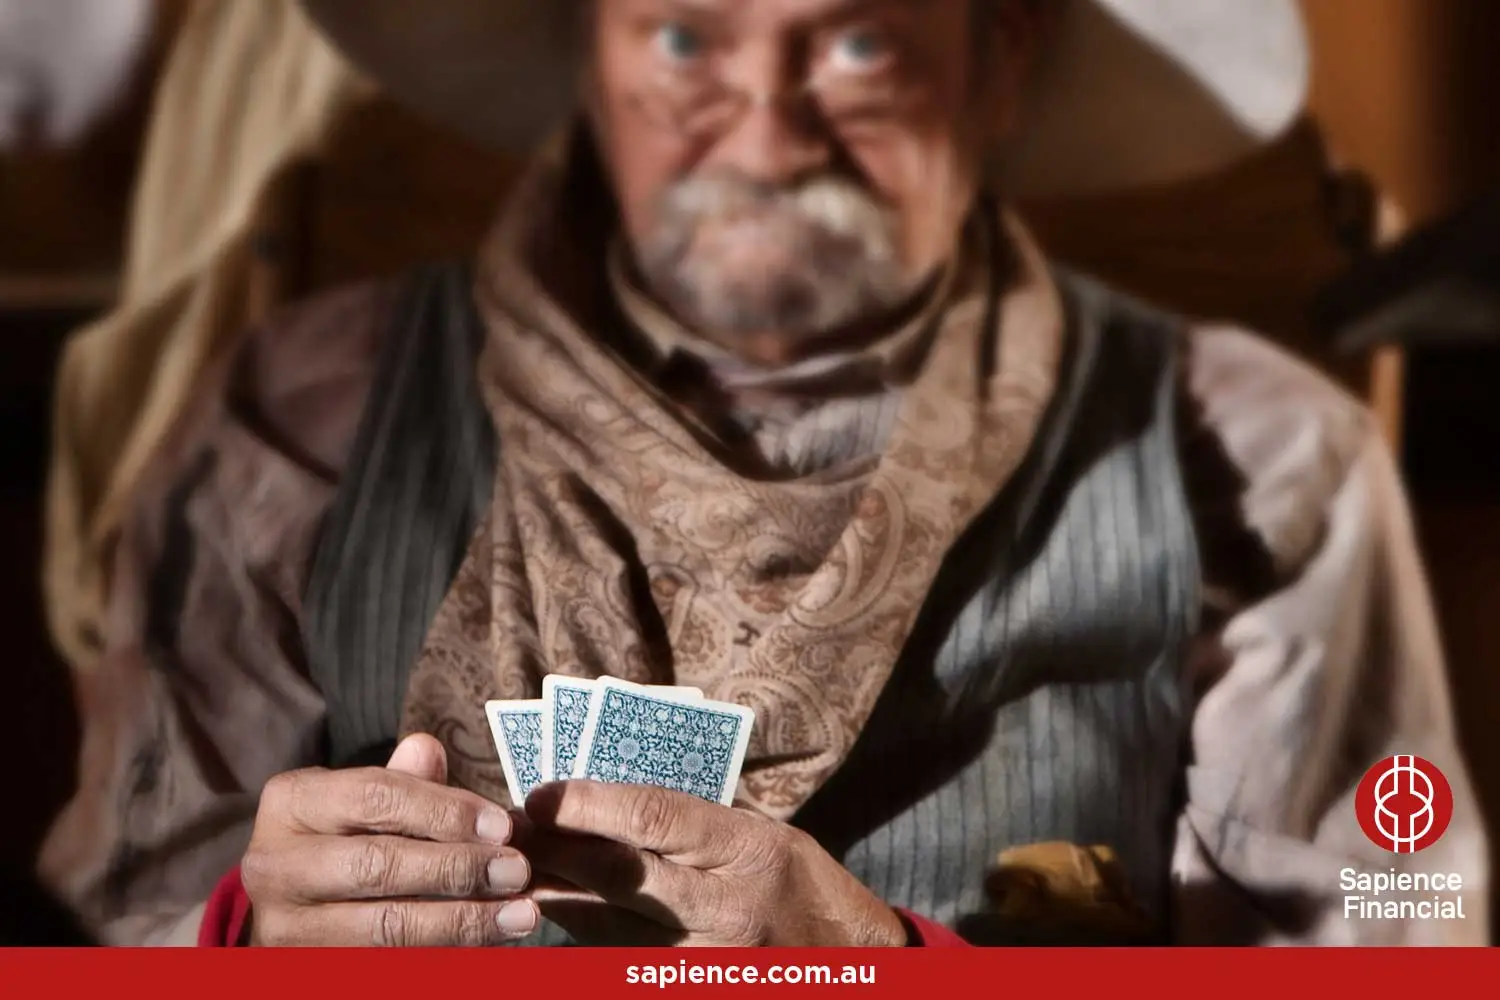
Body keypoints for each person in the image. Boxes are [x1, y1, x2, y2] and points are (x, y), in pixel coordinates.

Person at [39, 0, 1488, 948]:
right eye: (684, 36)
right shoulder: (298, 417)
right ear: (582, 59)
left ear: (1005, 62)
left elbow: (1387, 963)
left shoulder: (1263, 458)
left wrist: (892, 973)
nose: (770, 134)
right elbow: (107, 941)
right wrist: (245, 937)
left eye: (859, 42)